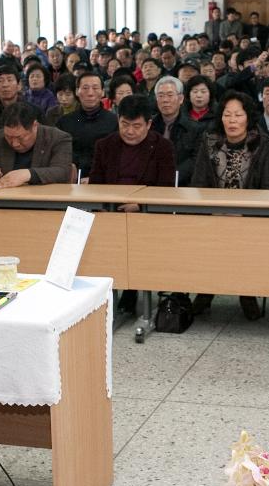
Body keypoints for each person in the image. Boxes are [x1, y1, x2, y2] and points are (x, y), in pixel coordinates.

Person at [191, 90, 269, 320]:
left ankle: (246, 293)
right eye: (227, 115)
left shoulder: (262, 144)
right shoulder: (210, 142)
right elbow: (199, 183)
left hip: (249, 218)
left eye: (238, 115)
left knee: (244, 240)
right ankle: (205, 291)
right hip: (213, 216)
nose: (232, 120)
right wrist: (213, 212)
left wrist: (246, 214)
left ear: (248, 117)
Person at [89, 95, 176, 314]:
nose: (129, 131)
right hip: (110, 213)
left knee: (138, 236)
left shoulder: (163, 147)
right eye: (124, 125)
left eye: (136, 126)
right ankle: (109, 291)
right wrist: (107, 207)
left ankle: (133, 290)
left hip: (146, 214)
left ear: (148, 124)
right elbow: (96, 185)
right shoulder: (104, 145)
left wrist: (140, 205)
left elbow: (165, 187)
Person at [0, 102, 74, 187]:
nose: (14, 144)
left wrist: (28, 174)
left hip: (45, 202)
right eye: (9, 137)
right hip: (5, 202)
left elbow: (63, 171)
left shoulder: (58, 138)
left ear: (34, 126)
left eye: (20, 138)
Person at [58, 73, 118, 179]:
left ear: (103, 92)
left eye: (95, 88)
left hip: (105, 179)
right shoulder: (65, 122)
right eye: (85, 88)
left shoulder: (113, 121)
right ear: (77, 91)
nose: (90, 93)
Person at [149, 75, 200, 186]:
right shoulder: (148, 125)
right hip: (151, 183)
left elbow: (195, 160)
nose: (165, 100)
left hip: (183, 185)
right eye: (161, 95)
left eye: (170, 95)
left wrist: (172, 176)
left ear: (181, 99)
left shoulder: (195, 128)